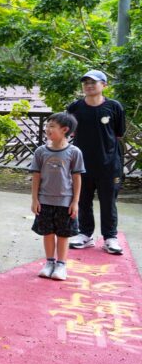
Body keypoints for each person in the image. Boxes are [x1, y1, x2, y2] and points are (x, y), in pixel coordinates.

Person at [67, 69, 126, 255]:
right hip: (82, 164)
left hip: (109, 164)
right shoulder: (75, 108)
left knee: (108, 202)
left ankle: (110, 237)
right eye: (85, 82)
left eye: (93, 82)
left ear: (104, 85)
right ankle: (85, 234)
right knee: (83, 200)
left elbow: (119, 133)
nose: (89, 85)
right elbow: (70, 132)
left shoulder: (114, 107)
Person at [31, 112, 85, 281]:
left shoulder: (74, 152)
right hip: (44, 200)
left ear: (65, 130)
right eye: (47, 126)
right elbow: (36, 176)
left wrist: (75, 201)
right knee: (47, 233)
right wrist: (34, 199)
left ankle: (61, 265)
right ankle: (49, 262)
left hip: (65, 202)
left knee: (63, 234)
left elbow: (77, 177)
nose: (47, 129)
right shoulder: (41, 151)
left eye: (52, 126)